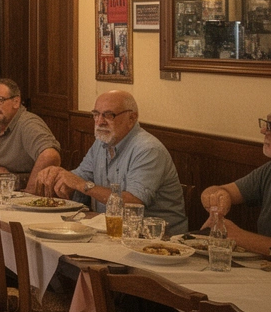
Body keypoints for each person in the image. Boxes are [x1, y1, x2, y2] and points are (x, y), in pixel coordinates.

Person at [40, 90, 188, 233]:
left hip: (157, 239)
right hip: (110, 230)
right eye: (96, 114)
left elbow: (133, 202)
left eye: (109, 115)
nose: (100, 122)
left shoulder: (148, 149)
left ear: (132, 118)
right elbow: (80, 176)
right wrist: (57, 176)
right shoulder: (102, 142)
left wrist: (81, 185)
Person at [199, 112, 271, 257]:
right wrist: (217, 197)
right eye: (267, 124)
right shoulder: (267, 171)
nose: (263, 130)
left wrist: (236, 235)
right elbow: (217, 190)